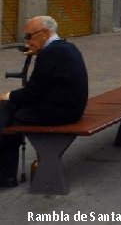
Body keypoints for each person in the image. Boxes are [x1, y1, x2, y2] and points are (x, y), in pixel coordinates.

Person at [0, 16, 88, 187]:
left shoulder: (49, 54)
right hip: (71, 108)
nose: (27, 41)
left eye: (29, 36)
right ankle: (6, 175)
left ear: (45, 33)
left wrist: (8, 95)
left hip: (58, 113)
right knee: (7, 114)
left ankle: (6, 175)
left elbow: (32, 92)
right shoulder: (65, 47)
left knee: (6, 115)